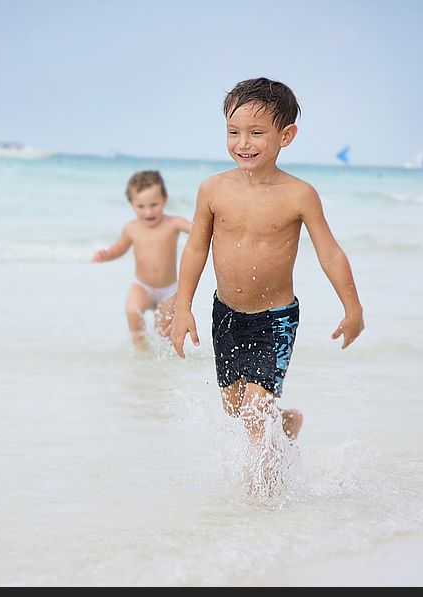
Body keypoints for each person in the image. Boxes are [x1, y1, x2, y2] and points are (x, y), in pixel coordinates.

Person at [171, 77, 364, 447]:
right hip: (225, 314)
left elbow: (329, 252)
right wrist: (183, 308)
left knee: (254, 415)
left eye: (256, 132)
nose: (243, 143)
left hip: (274, 320)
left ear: (286, 136)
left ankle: (264, 500)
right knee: (235, 410)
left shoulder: (299, 195)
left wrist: (352, 307)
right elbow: (196, 249)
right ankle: (285, 421)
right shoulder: (212, 190)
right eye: (233, 132)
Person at [93, 171, 192, 350]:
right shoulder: (131, 228)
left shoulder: (174, 223)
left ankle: (162, 364)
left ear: (165, 199)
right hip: (143, 287)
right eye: (141, 206)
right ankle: (141, 352)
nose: (148, 211)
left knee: (164, 333)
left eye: (154, 204)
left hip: (169, 290)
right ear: (131, 204)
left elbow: (196, 230)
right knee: (132, 311)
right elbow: (119, 248)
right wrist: (106, 254)